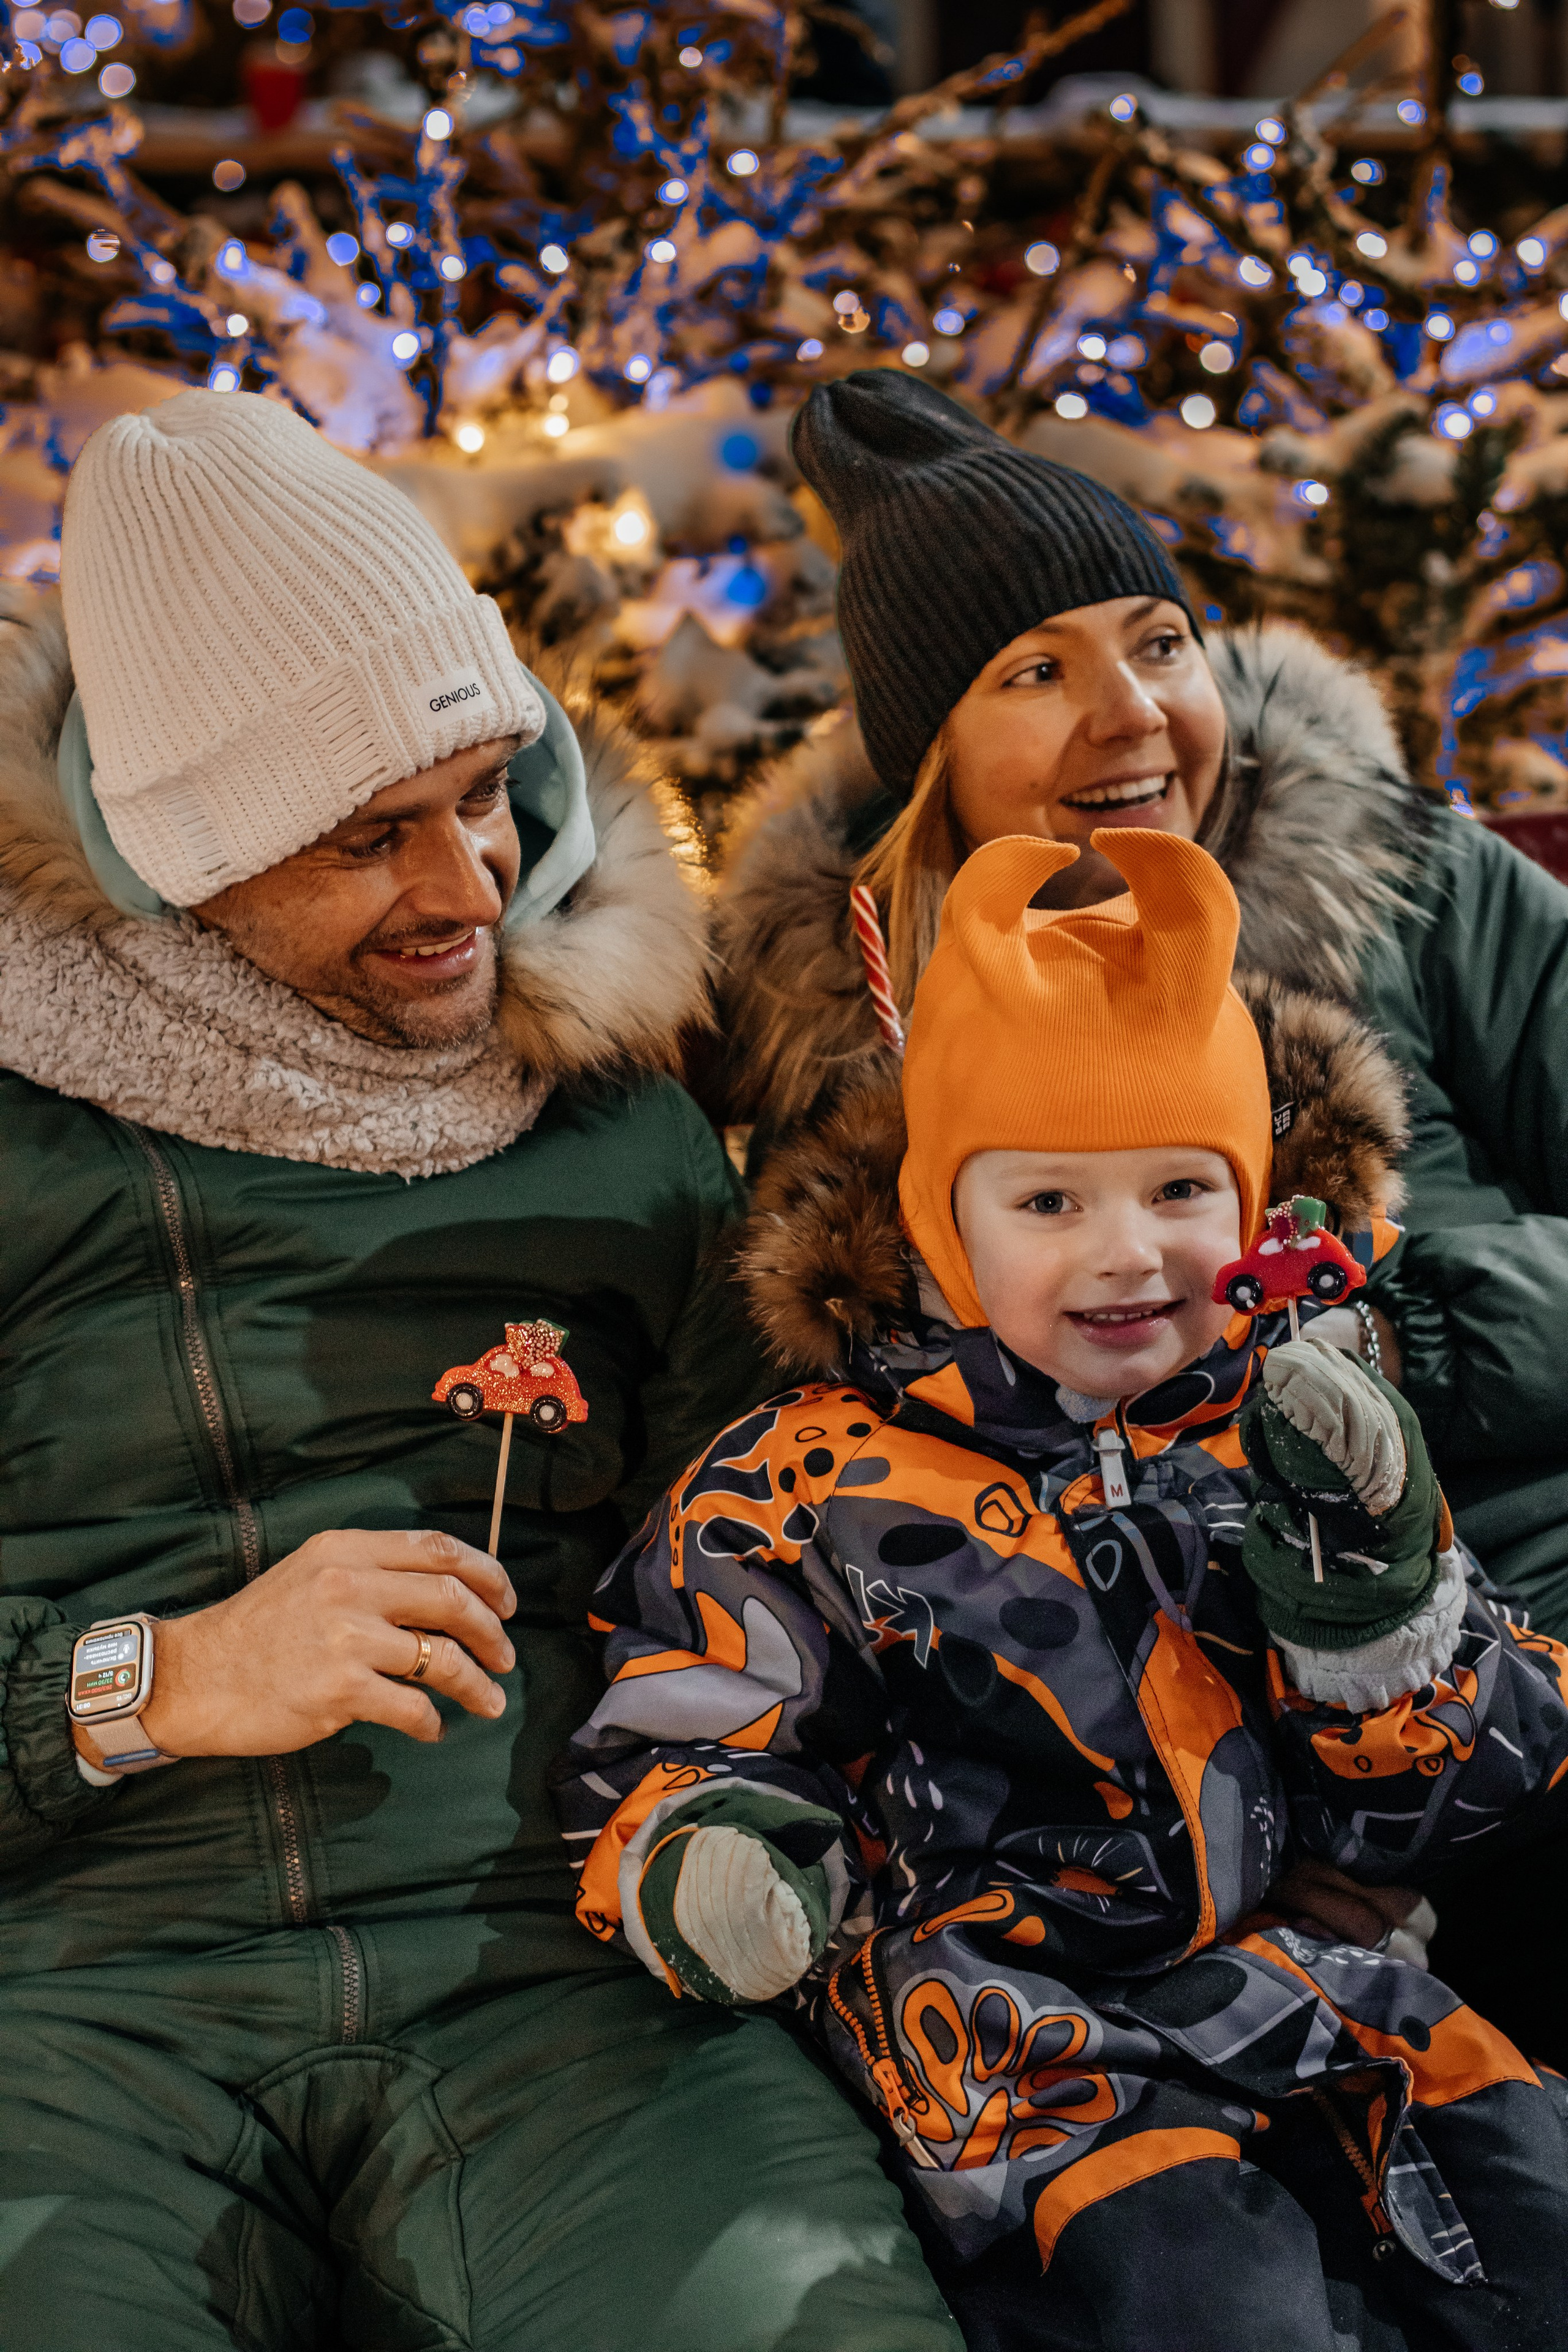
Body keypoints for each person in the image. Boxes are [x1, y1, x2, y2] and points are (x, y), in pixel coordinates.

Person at [0, 391, 963, 2352]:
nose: (466, 889)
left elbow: (756, 1560)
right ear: (178, 848)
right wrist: (145, 1681)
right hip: (72, 2004)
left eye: (484, 790)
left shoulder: (614, 1124)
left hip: (556, 1982)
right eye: (369, 837)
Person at [560, 824, 1568, 2352]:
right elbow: (684, 1707)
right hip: (1011, 2044)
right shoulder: (813, 1477)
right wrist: (716, 1851)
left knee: (1532, 2217)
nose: (1126, 1255)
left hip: (1303, 1983)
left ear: (1247, 1211)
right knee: (1211, 2308)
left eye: (1178, 1188)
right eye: (1046, 1204)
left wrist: (1376, 1608)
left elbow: (1454, 1790)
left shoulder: (1292, 1422)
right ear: (938, 1232)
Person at [715, 369, 1568, 1643]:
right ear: (929, 750)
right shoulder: (835, 1035)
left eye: (1158, 643)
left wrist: (1399, 1347)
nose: (1133, 716)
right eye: (1035, 672)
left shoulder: (1402, 884)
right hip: (1154, 1697)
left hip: (1518, 1580)